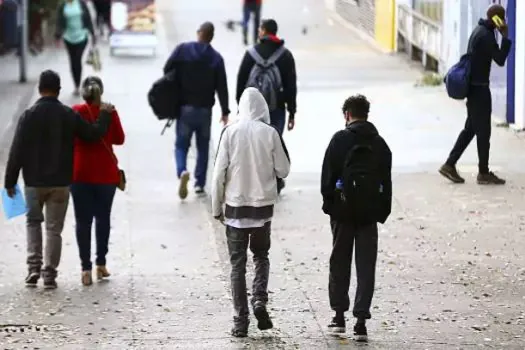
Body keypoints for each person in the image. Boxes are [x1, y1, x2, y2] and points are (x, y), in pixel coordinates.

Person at [3, 70, 113, 289]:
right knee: (54, 229)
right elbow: (92, 134)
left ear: (39, 89)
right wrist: (105, 115)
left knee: (33, 223)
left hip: (33, 182)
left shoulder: (28, 115)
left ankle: (34, 268)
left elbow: (17, 151)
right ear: (59, 90)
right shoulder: (67, 114)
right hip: (61, 183)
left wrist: (10, 180)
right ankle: (50, 274)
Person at [211, 88, 290, 338]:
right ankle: (259, 300)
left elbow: (218, 174)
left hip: (235, 211)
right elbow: (284, 170)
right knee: (261, 256)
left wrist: (216, 208)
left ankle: (240, 321)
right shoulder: (270, 133)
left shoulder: (230, 132)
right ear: (263, 108)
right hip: (262, 212)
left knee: (237, 266)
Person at [321, 95, 392, 342]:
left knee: (339, 262)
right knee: (366, 265)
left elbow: (326, 180)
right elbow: (386, 182)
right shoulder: (380, 144)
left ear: (347, 115)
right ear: (366, 115)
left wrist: (331, 206)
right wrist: (380, 212)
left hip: (342, 212)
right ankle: (361, 321)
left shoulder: (339, 140)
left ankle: (339, 316)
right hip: (369, 214)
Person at [439, 4, 511, 185]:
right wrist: (506, 38)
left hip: (474, 89)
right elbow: (500, 59)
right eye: (502, 18)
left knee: (471, 129)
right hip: (479, 90)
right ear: (497, 19)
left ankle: (449, 164)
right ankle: (483, 173)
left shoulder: (479, 30)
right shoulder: (487, 36)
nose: (504, 22)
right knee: (483, 132)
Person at [163, 21, 230, 199]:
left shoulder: (182, 50)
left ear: (199, 33)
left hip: (184, 108)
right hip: (205, 111)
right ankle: (199, 184)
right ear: (211, 37)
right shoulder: (216, 58)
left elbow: (167, 70)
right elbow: (222, 87)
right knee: (202, 147)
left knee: (181, 145)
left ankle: (182, 170)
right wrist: (225, 111)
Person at [71, 76, 125, 286]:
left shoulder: (76, 111)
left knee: (83, 222)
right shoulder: (110, 111)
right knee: (103, 218)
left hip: (80, 173)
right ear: (100, 92)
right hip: (105, 175)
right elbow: (120, 139)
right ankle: (101, 264)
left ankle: (85, 269)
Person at [236, 19, 297, 194]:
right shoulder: (285, 56)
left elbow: (241, 81)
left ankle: (254, 180)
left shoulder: (251, 54)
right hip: (276, 107)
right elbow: (291, 86)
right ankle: (275, 180)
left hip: (252, 109)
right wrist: (292, 112)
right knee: (274, 143)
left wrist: (239, 107)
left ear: (263, 31)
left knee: (253, 144)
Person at [55, 0, 96, 96]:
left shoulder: (81, 3)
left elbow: (88, 19)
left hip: (82, 36)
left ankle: (78, 85)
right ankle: (76, 85)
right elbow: (59, 21)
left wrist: (93, 34)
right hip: (68, 37)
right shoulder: (62, 5)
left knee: (77, 59)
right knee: (72, 61)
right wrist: (57, 36)